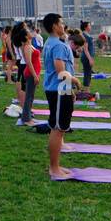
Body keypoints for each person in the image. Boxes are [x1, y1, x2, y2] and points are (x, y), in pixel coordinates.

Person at [41, 12, 77, 179]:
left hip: (61, 89)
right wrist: (74, 81)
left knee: (59, 128)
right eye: (61, 22)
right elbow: (61, 71)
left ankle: (56, 166)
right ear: (55, 26)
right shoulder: (58, 46)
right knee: (58, 128)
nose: (63, 25)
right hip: (59, 89)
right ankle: (54, 168)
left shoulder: (51, 43)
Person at [10, 23, 37, 125]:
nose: (27, 27)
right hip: (24, 64)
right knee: (25, 89)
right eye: (25, 26)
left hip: (22, 63)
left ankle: (24, 108)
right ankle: (25, 109)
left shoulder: (19, 39)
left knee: (22, 86)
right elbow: (26, 58)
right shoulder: (22, 41)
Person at [77, 20, 94, 92]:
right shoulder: (85, 36)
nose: (90, 27)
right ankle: (86, 90)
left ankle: (86, 89)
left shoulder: (86, 35)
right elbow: (86, 49)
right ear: (86, 27)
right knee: (87, 73)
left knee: (88, 73)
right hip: (87, 57)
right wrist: (90, 59)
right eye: (89, 25)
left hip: (88, 56)